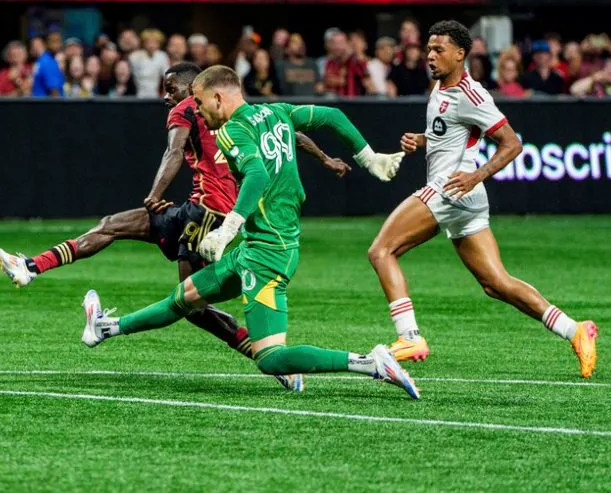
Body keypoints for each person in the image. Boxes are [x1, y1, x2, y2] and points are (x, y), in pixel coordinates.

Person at [0, 63, 353, 391]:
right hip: (196, 210)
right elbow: (291, 133)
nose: (166, 97)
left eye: (171, 89)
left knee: (191, 303)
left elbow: (173, 151)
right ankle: (32, 267)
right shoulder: (243, 110)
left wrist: (154, 194)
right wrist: (325, 159)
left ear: (192, 88)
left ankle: (277, 364)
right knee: (113, 226)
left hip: (207, 214)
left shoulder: (187, 108)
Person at [74, 65, 418, 399]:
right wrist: (368, 157)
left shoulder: (230, 131)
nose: (196, 110)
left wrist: (226, 231)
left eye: (199, 101)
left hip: (267, 256)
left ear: (219, 99)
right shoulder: (276, 112)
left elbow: (257, 176)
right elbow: (332, 117)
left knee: (270, 358)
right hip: (257, 247)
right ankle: (106, 328)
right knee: (185, 299)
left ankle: (371, 363)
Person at [365, 20, 598, 377]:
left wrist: (477, 174)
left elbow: (512, 143)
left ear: (460, 54)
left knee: (381, 251)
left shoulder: (472, 95)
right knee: (496, 284)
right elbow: (445, 134)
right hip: (466, 197)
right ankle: (574, 329)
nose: (430, 55)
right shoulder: (441, 87)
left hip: (452, 188)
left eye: (438, 50)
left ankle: (409, 337)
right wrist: (421, 140)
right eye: (428, 49)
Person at [32, 31, 65, 97]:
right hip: (48, 105)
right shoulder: (48, 62)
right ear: (46, 44)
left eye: (59, 41)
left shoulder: (42, 59)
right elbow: (54, 91)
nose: (57, 45)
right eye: (53, 42)